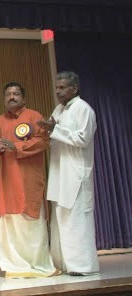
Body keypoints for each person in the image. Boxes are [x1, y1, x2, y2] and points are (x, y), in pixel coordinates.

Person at [39, 71, 99, 276]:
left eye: (62, 87)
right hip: (59, 171)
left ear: (75, 88)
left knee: (76, 220)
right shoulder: (59, 109)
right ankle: (64, 263)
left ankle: (83, 266)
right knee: (61, 219)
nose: (58, 91)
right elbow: (53, 133)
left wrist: (55, 129)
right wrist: (46, 130)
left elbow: (83, 139)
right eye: (57, 87)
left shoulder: (84, 109)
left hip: (75, 173)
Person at [0, 82, 57, 278]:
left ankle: (37, 264)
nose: (11, 97)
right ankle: (15, 266)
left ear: (23, 97)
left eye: (16, 94)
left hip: (29, 177)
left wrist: (16, 146)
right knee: (11, 221)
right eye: (8, 94)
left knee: (32, 221)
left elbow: (43, 141)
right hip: (8, 179)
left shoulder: (34, 116)